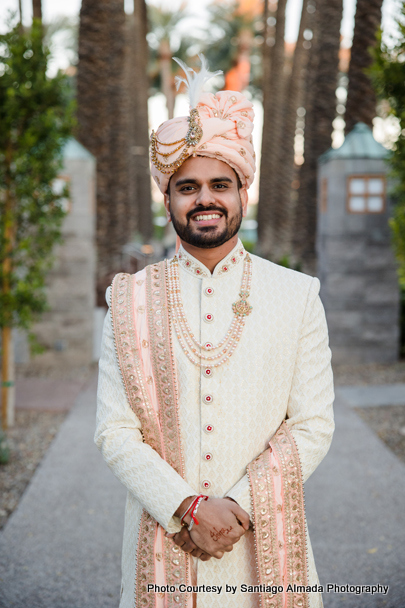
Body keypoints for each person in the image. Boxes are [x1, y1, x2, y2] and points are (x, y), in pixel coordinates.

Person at [95, 56, 334, 608]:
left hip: (266, 544)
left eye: (220, 184)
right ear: (169, 198)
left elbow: (313, 423)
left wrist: (240, 508)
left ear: (242, 193)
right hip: (163, 535)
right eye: (187, 187)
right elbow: (114, 431)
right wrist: (188, 507)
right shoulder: (126, 298)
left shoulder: (297, 295)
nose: (205, 199)